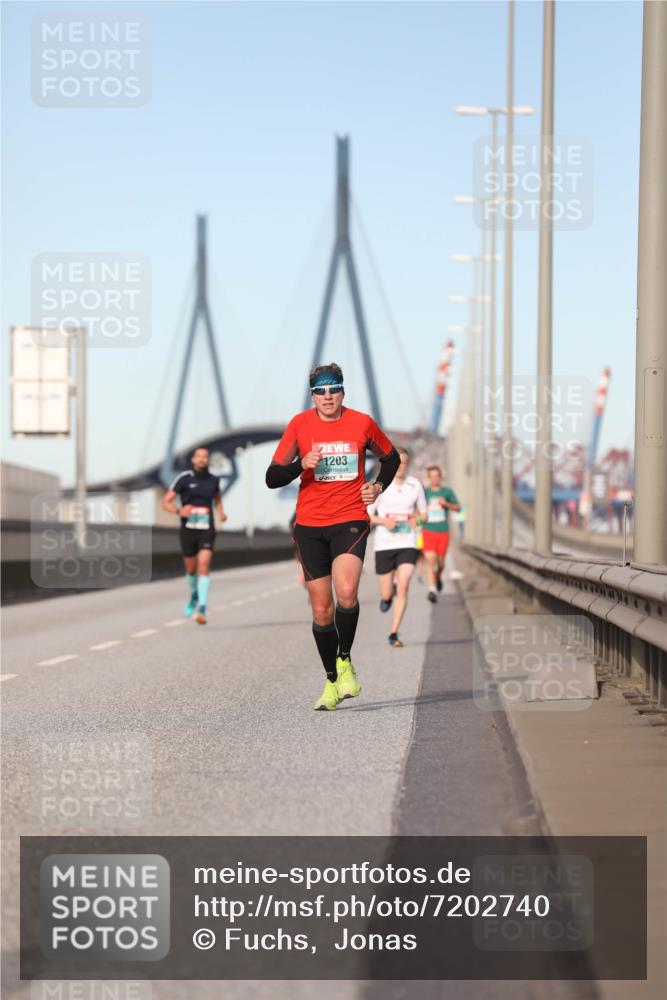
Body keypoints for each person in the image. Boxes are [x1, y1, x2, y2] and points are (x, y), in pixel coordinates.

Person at [266, 363, 400, 711]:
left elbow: (391, 458)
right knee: (322, 609)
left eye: (334, 389)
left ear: (343, 391)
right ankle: (331, 680)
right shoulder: (300, 425)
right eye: (320, 391)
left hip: (350, 518)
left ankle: (344, 659)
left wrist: (378, 487)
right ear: (312, 396)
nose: (327, 396)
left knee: (347, 590)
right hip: (310, 524)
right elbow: (272, 478)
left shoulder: (362, 423)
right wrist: (300, 465)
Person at [367, 448, 427, 648]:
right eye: (397, 462)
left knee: (404, 585)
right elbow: (368, 515)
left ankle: (393, 633)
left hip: (407, 542)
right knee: (387, 594)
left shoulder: (415, 485)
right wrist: (384, 521)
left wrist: (417, 520)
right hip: (384, 544)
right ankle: (386, 597)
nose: (400, 466)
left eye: (404, 463)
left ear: (408, 465)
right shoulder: (379, 485)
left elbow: (424, 514)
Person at [161, 445, 227, 624]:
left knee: (203, 566)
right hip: (188, 529)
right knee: (191, 569)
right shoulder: (184, 479)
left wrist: (221, 512)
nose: (202, 459)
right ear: (193, 460)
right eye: (199, 456)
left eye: (205, 456)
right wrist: (178, 511)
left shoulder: (214, 480)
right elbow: (165, 502)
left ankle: (202, 609)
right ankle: (194, 595)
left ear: (208, 460)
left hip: (207, 528)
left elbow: (217, 499)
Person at [422, 464, 461, 604]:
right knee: (430, 560)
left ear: (440, 477)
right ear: (429, 478)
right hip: (428, 530)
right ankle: (432, 590)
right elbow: (416, 509)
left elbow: (458, 507)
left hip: (443, 531)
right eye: (432, 476)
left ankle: (438, 576)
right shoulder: (424, 493)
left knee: (441, 564)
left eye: (436, 476)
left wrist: (446, 504)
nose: (434, 479)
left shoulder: (447, 492)